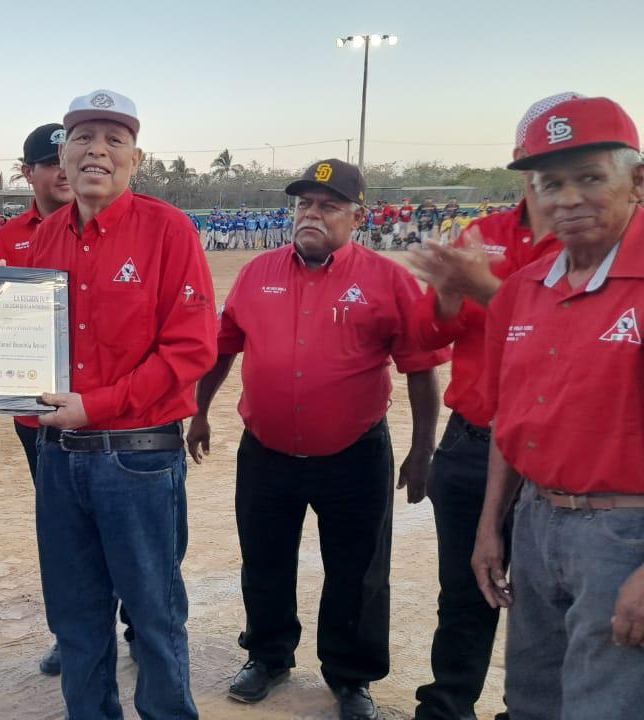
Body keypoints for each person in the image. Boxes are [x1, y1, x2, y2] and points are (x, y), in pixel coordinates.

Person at [189, 159, 446, 720]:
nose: (312, 213)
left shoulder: (388, 280)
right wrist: (200, 411)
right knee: (264, 560)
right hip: (267, 452)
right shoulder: (257, 272)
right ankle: (268, 654)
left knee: (358, 570)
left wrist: (423, 449)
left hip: (353, 454)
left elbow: (421, 367)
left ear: (357, 216)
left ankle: (351, 677)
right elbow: (225, 346)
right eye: (305, 203)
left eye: (328, 205)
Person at [28, 89, 216, 720]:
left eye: (114, 140)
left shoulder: (168, 229)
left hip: (137, 459)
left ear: (136, 157)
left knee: (155, 616)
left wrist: (97, 405)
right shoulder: (44, 240)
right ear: (63, 155)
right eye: (82, 137)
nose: (97, 151)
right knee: (75, 618)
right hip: (58, 458)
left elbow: (191, 350)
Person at [403, 93, 576, 720]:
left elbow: (571, 334)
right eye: (543, 165)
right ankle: (448, 705)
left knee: (548, 601)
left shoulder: (603, 243)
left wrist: (488, 290)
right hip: (474, 444)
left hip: (557, 456)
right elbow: (427, 338)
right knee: (465, 592)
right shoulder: (485, 236)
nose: (557, 183)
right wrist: (449, 297)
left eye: (579, 167)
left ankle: (528, 710)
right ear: (520, 165)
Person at [474, 96, 644, 720]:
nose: (567, 199)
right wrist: (492, 524)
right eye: (550, 184)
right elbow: (507, 419)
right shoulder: (525, 288)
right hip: (536, 521)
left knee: (607, 703)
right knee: (532, 697)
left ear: (638, 181)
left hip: (625, 534)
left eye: (590, 178)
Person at [0, 121, 89, 677]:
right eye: (48, 162)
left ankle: (134, 627)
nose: (61, 170)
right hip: (38, 414)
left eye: (64, 158)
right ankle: (69, 631)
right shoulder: (8, 238)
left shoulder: (113, 222)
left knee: (123, 527)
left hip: (106, 409)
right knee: (61, 529)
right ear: (29, 173)